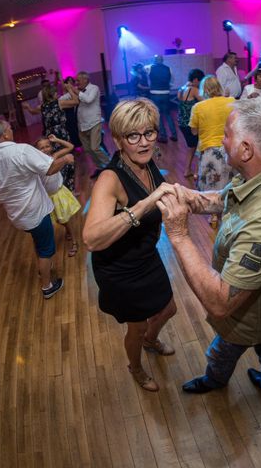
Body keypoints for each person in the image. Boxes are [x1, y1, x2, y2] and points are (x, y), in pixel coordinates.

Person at [156, 99, 261, 400]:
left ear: (246, 149)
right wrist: (189, 197)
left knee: (225, 349)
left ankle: (216, 379)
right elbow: (225, 198)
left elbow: (221, 302)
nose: (221, 140)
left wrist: (178, 234)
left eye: (227, 134)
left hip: (255, 312)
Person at [82, 99, 177, 392]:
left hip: (146, 255)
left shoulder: (147, 164)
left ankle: (151, 340)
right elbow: (91, 238)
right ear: (118, 140)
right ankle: (135, 368)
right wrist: (146, 203)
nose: (144, 142)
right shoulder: (109, 179)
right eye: (133, 136)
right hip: (120, 268)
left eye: (149, 132)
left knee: (168, 308)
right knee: (135, 327)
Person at [0, 121, 74, 299]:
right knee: (46, 249)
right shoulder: (20, 151)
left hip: (17, 217)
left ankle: (43, 270)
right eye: (9, 128)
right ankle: (47, 286)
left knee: (38, 241)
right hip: (35, 213)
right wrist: (65, 159)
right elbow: (49, 169)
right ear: (5, 135)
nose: (12, 130)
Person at [189, 75, 235, 226]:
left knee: (212, 183)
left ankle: (214, 216)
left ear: (205, 89)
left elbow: (194, 131)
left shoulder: (198, 107)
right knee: (230, 181)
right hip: (230, 147)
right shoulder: (231, 102)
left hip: (209, 149)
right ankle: (230, 213)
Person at [23, 84, 79, 191]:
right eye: (56, 93)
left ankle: (61, 188)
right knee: (68, 160)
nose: (57, 94)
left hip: (50, 136)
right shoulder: (59, 103)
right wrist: (70, 90)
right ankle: (69, 189)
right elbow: (76, 101)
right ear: (53, 94)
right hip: (61, 135)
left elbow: (32, 112)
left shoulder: (42, 107)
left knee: (55, 160)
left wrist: (27, 107)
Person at [35, 134, 81, 257]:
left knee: (64, 218)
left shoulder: (54, 157)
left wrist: (56, 140)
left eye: (47, 146)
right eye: (41, 148)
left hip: (58, 194)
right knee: (58, 219)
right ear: (36, 151)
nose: (45, 149)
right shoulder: (37, 163)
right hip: (47, 197)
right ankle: (67, 229)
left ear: (51, 147)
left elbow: (70, 147)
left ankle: (75, 243)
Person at [76, 71, 111, 176]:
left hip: (94, 122)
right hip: (82, 125)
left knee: (95, 147)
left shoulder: (94, 88)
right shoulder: (78, 91)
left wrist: (76, 92)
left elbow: (88, 99)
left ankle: (110, 165)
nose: (76, 82)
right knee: (88, 149)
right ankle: (100, 167)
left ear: (85, 79)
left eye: (78, 80)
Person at [177, 68, 205, 178]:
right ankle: (197, 173)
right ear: (196, 80)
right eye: (200, 81)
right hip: (191, 124)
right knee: (198, 148)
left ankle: (187, 170)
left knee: (191, 147)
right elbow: (205, 102)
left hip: (181, 123)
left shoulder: (182, 88)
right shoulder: (193, 89)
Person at [148, 55, 177, 143]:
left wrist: (152, 87)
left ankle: (163, 136)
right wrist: (168, 87)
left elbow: (148, 80)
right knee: (168, 114)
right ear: (163, 60)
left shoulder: (150, 68)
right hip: (165, 93)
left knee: (158, 115)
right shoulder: (168, 68)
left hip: (154, 93)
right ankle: (174, 135)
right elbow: (172, 80)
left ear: (155, 60)